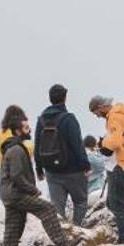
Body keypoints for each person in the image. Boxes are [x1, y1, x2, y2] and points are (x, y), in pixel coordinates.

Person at [0, 105, 72, 246]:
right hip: (17, 194)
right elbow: (16, 176)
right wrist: (33, 190)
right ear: (17, 131)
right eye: (25, 128)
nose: (29, 130)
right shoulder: (16, 149)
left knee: (14, 228)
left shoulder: (13, 147)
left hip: (9, 194)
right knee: (48, 209)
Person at [34, 84, 93, 226]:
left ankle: (61, 234)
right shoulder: (68, 119)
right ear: (65, 98)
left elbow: (37, 145)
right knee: (80, 201)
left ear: (50, 99)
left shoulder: (41, 120)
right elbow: (77, 144)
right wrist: (85, 165)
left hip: (52, 171)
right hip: (73, 170)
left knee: (57, 206)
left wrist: (39, 168)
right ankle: (76, 229)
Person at [89, 94, 124, 244]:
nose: (97, 116)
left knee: (116, 203)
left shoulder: (114, 117)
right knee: (113, 203)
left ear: (101, 107)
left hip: (120, 164)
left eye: (96, 113)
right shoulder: (123, 114)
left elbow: (116, 141)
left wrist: (104, 143)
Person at [83, 135, 109, 202]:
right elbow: (103, 165)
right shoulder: (90, 156)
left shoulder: (81, 155)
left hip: (86, 193)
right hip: (94, 191)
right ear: (93, 145)